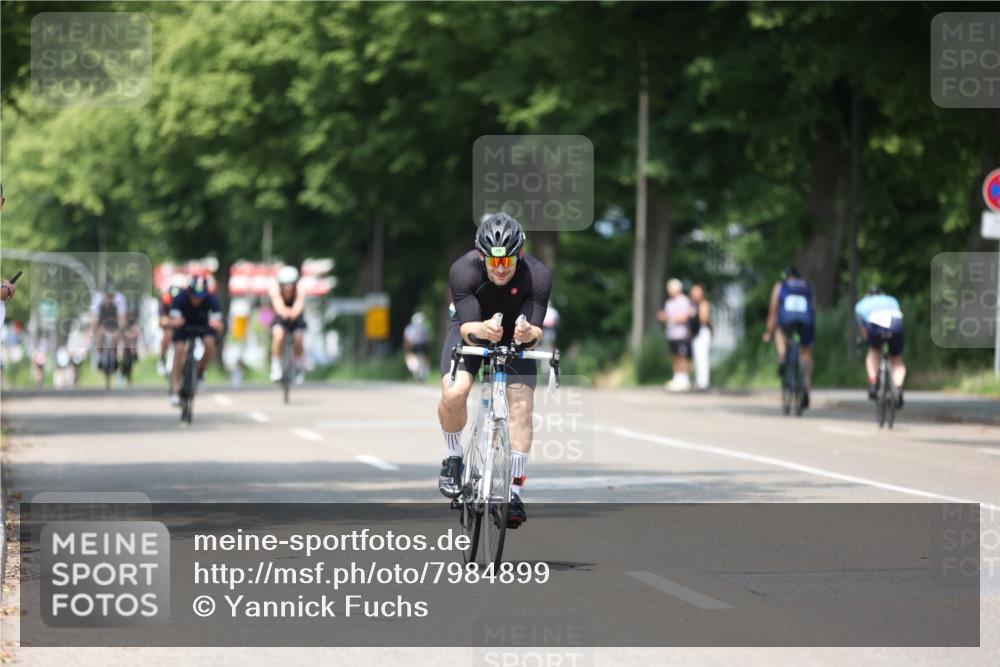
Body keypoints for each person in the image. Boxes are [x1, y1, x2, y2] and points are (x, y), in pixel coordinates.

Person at [437, 212, 552, 529]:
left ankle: (513, 492)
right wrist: (484, 329)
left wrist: (530, 333)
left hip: (516, 335)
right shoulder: (463, 271)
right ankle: (453, 458)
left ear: (520, 255)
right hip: (471, 326)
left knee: (522, 408)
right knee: (455, 392)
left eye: (507, 262)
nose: (500, 270)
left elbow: (537, 331)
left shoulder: (538, 276)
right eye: (493, 262)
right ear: (481, 256)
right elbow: (467, 330)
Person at [763, 266, 815, 409]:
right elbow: (812, 307)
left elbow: (773, 309)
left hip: (787, 320)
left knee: (779, 331)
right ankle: (806, 386)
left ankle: (782, 355)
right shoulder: (806, 286)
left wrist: (769, 331)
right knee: (806, 352)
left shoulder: (781, 286)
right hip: (806, 321)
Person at [168, 276, 223, 406]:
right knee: (179, 349)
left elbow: (219, 323)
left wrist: (216, 325)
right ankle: (175, 388)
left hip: (203, 326)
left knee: (210, 344)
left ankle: (200, 370)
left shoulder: (212, 299)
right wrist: (175, 321)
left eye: (200, 297)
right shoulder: (180, 298)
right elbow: (172, 318)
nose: (197, 300)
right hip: (184, 326)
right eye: (194, 296)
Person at [855, 286, 906, 408]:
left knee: (873, 351)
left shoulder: (861, 305)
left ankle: (873, 383)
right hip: (896, 324)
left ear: (868, 295)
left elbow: (864, 331)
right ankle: (898, 389)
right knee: (897, 359)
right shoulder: (892, 300)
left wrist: (867, 341)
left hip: (874, 324)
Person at [268, 265, 307, 383]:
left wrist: (294, 313)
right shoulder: (275, 289)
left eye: (291, 284)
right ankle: (276, 367)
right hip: (281, 315)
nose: (288, 288)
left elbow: (300, 303)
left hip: (296, 315)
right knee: (278, 335)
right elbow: (278, 304)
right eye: (285, 284)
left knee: (299, 337)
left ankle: (298, 367)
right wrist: (285, 312)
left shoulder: (300, 289)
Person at [657, 278, 694, 392]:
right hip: (671, 334)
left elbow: (685, 316)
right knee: (674, 356)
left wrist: (669, 318)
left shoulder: (684, 300)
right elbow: (669, 317)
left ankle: (685, 379)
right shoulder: (669, 302)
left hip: (681, 334)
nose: (669, 291)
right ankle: (677, 378)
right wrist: (664, 317)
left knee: (683, 356)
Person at [90, 283, 127, 377]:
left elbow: (122, 316)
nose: (110, 297)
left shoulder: (120, 299)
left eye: (112, 295)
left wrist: (121, 329)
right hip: (103, 321)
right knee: (100, 335)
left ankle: (119, 360)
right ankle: (101, 356)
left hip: (115, 321)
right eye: (108, 295)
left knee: (120, 338)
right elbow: (95, 317)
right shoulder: (98, 298)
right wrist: (94, 330)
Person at [157, 279, 185, 376]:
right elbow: (163, 320)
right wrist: (173, 322)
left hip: (181, 327)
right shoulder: (165, 300)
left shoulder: (184, 302)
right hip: (169, 326)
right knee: (167, 335)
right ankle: (162, 357)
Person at [689, 284, 712, 391]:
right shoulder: (693, 305)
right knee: (697, 358)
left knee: (702, 357)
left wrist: (692, 316)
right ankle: (699, 380)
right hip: (696, 333)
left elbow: (704, 319)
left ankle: (703, 382)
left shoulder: (703, 304)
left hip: (702, 332)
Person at [403, 312, 431, 381]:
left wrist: (407, 349)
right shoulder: (425, 327)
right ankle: (424, 371)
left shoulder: (410, 328)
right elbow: (428, 338)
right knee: (425, 357)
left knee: (409, 355)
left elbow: (407, 339)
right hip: (423, 345)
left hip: (414, 345)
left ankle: (415, 368)